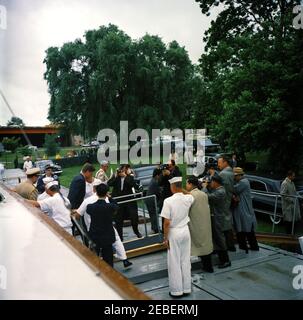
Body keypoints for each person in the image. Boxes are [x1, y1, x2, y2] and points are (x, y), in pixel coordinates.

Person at [73, 179, 133, 268]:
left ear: (95, 189)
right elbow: (115, 207)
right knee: (114, 245)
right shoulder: (109, 203)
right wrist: (109, 197)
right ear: (106, 192)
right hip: (108, 230)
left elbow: (78, 215)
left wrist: (75, 211)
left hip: (93, 231)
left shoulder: (88, 203)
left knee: (95, 251)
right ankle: (123, 259)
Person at [161, 176, 194, 298]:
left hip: (174, 233)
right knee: (185, 260)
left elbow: (166, 223)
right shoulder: (189, 198)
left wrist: (165, 238)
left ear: (172, 187)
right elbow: (189, 193)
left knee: (174, 261)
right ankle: (186, 288)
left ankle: (177, 291)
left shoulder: (168, 201)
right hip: (185, 230)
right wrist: (181, 189)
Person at [202, 174, 231, 269]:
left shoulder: (221, 192)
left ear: (215, 182)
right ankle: (220, 255)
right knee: (216, 237)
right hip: (216, 216)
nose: (211, 184)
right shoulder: (218, 190)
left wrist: (205, 187)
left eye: (212, 182)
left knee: (219, 238)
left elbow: (207, 197)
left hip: (218, 217)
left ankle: (226, 260)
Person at [186, 177, 214, 273]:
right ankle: (208, 266)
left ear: (190, 184)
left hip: (196, 223)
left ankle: (207, 267)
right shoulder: (203, 194)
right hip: (205, 222)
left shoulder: (190, 196)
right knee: (205, 245)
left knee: (199, 244)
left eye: (187, 184)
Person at [87, 183, 118, 267]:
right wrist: (110, 197)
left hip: (95, 235)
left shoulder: (90, 207)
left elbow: (88, 211)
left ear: (96, 193)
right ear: (106, 193)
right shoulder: (110, 207)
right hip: (107, 235)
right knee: (108, 258)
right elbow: (116, 205)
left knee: (94, 257)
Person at [108, 165, 142, 240]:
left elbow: (133, 184)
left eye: (124, 169)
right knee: (118, 220)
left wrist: (126, 176)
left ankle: (136, 232)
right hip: (119, 202)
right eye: (122, 169)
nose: (122, 171)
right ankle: (120, 237)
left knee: (134, 217)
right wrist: (116, 176)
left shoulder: (130, 176)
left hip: (129, 202)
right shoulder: (116, 177)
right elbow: (109, 183)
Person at [233, 167, 259, 252]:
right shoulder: (242, 181)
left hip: (245, 211)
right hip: (244, 210)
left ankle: (250, 247)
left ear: (240, 175)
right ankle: (246, 247)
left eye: (235, 176)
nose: (234, 178)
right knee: (244, 230)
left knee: (246, 230)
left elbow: (234, 189)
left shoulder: (243, 182)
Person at [217, 155, 236, 251]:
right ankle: (231, 245)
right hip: (228, 199)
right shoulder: (231, 172)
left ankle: (228, 246)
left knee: (224, 224)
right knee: (227, 222)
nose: (218, 165)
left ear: (225, 162)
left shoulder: (223, 174)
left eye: (219, 163)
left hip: (223, 202)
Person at [145, 168, 162, 233]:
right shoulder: (155, 182)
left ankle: (154, 227)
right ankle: (156, 229)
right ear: (157, 175)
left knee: (152, 215)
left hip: (149, 200)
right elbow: (158, 193)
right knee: (154, 215)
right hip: (151, 200)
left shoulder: (153, 180)